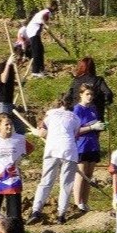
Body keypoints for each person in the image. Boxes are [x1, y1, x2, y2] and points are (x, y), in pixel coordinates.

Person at [26, 95, 81, 225]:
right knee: (66, 185)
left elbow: (41, 133)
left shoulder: (50, 115)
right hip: (70, 152)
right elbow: (75, 136)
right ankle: (61, 215)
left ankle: (36, 211)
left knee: (46, 182)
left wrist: (34, 131)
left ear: (59, 104)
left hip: (52, 150)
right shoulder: (76, 118)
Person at [72, 84, 107, 212]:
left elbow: (95, 123)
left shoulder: (93, 109)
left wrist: (99, 127)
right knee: (81, 175)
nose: (90, 97)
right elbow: (75, 130)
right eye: (87, 94)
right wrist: (91, 127)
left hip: (93, 144)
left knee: (89, 174)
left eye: (91, 94)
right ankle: (77, 202)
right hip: (81, 145)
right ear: (81, 94)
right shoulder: (77, 110)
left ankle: (85, 202)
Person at [65, 56, 114, 122]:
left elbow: (68, 96)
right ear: (93, 68)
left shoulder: (76, 80)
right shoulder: (98, 80)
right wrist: (103, 103)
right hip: (94, 113)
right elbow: (108, 93)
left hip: (77, 113)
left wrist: (69, 109)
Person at [0, 51, 27, 135]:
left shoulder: (13, 68)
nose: (21, 62)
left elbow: (8, 83)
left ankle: (19, 145)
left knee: (20, 128)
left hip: (9, 102)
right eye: (19, 59)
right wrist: (8, 64)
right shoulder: (3, 66)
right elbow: (3, 79)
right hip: (3, 102)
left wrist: (19, 84)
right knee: (2, 130)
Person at [25, 0, 57, 78]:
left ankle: (41, 69)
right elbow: (43, 18)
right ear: (53, 6)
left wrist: (44, 25)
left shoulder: (44, 11)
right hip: (33, 32)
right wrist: (45, 25)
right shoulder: (47, 12)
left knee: (40, 50)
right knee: (36, 51)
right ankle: (35, 72)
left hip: (33, 31)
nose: (56, 8)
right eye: (56, 6)